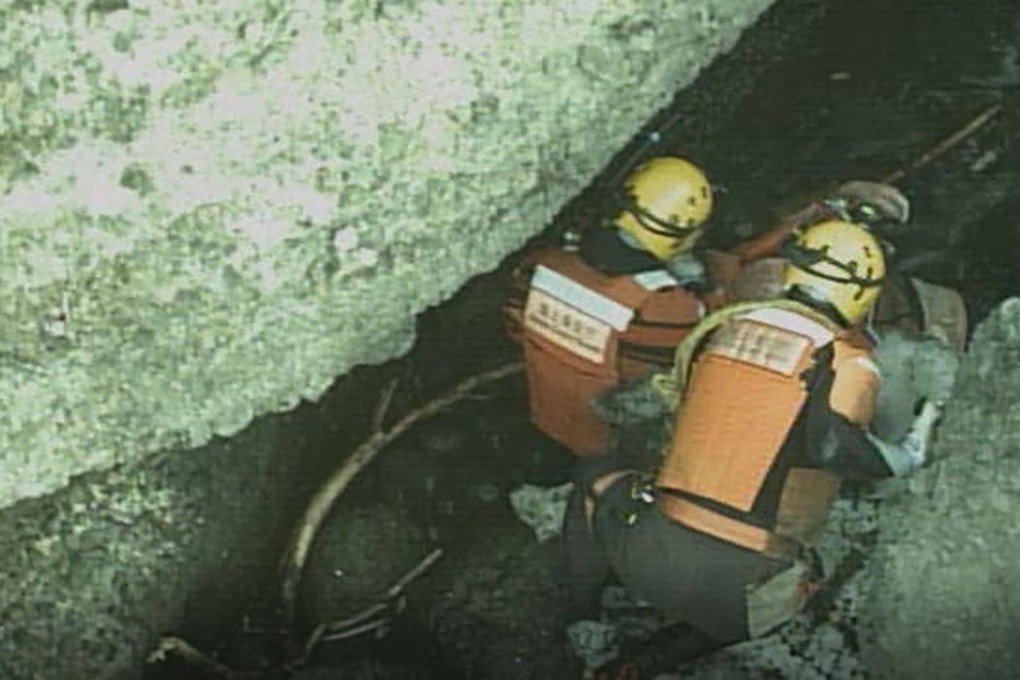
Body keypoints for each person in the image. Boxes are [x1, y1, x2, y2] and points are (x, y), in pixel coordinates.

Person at [563, 219, 944, 680]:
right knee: (791, 578)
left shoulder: (726, 327)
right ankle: (641, 663)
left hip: (646, 556)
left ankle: (579, 613)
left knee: (595, 477)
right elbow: (830, 446)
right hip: (740, 599)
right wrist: (905, 455)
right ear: (863, 295)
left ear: (792, 272)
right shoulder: (848, 362)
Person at [504, 155, 718, 459]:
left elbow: (515, 326)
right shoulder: (660, 303)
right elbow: (700, 348)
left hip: (542, 414)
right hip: (605, 444)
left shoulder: (539, 265)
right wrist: (702, 284)